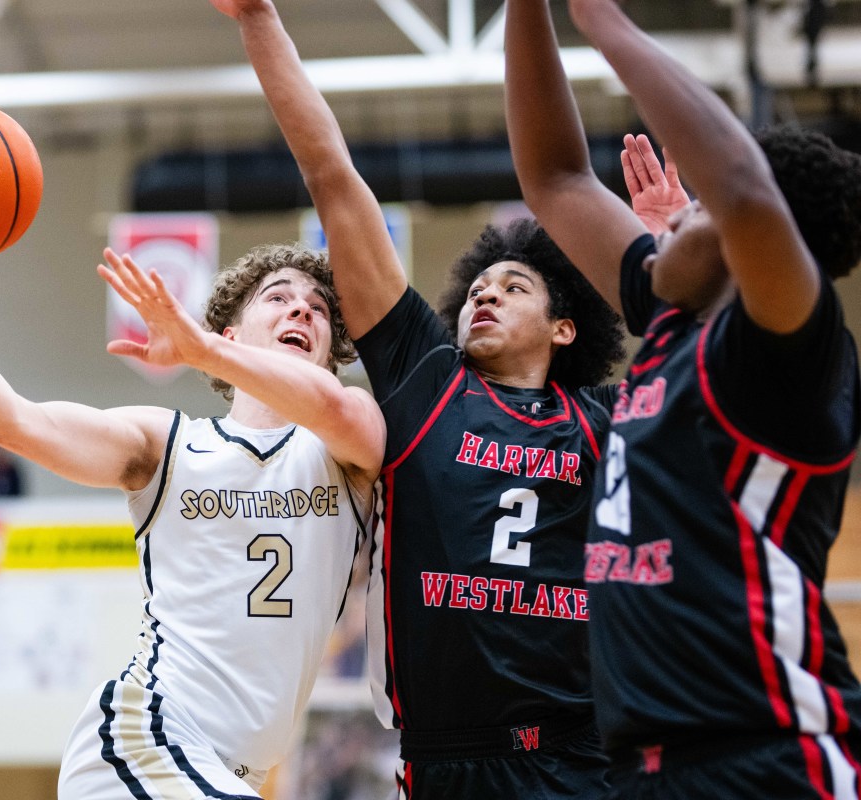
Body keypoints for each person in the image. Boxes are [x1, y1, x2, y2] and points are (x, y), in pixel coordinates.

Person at [0, 153, 385, 798]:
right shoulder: (167, 445)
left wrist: (201, 348)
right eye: (277, 299)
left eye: (317, 309)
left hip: (232, 772)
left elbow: (340, 410)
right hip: (143, 739)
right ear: (231, 332)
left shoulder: (349, 438)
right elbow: (9, 422)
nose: (301, 312)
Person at [212, 2, 627, 797]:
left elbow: (710, 363)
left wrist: (665, 246)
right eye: (477, 285)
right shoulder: (425, 380)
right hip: (443, 758)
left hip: (581, 755)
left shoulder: (603, 422)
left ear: (566, 328)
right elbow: (333, 176)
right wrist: (259, 21)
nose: (484, 296)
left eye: (514, 286)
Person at [505, 0, 861, 796]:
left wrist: (601, 20)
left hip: (766, 756)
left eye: (695, 212)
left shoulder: (788, 354)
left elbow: (741, 186)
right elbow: (554, 177)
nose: (663, 225)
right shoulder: (676, 318)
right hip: (641, 765)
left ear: (750, 242)